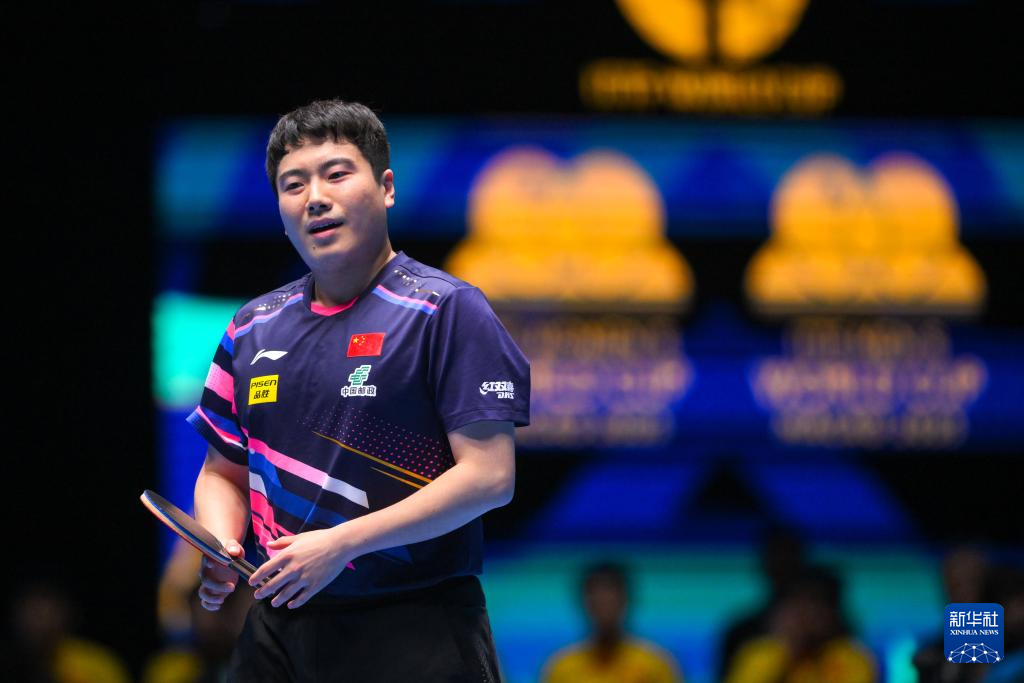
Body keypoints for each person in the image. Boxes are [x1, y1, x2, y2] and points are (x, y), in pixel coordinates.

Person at [187, 99, 530, 682]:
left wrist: (342, 544)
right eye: (293, 184)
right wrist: (222, 543)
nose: (315, 197)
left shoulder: (444, 310)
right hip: (278, 627)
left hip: (416, 621)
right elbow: (222, 471)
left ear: (386, 188)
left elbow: (490, 477)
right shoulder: (252, 326)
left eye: (336, 174)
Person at [723, 566, 875, 683]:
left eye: (815, 605)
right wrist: (789, 652)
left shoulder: (852, 658)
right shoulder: (759, 654)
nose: (805, 616)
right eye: (797, 605)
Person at [541, 562, 683, 683]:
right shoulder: (561, 668)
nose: (604, 606)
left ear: (626, 601)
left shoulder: (656, 663)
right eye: (597, 600)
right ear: (584, 604)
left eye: (611, 599)